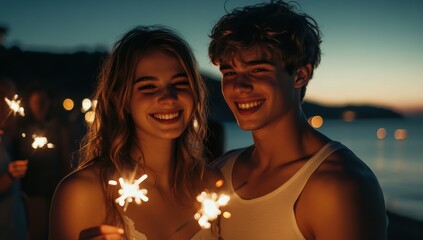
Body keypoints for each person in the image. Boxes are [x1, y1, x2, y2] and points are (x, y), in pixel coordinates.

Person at [208, 1, 388, 239]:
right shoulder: (220, 171)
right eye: (229, 72)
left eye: (258, 70)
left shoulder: (339, 185)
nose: (239, 87)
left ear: (300, 75)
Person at [50, 26, 221, 240]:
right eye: (148, 87)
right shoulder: (83, 193)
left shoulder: (211, 184)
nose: (169, 97)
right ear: (120, 99)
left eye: (180, 83)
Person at [13, 83, 70, 240]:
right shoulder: (21, 130)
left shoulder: (58, 128)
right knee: (37, 230)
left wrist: (66, 185)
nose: (41, 106)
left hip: (54, 186)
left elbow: (65, 158)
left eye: (44, 101)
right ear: (29, 104)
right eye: (37, 102)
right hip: (33, 189)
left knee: (56, 230)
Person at [0, 77, 28, 240]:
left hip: (13, 221)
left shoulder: (5, 137)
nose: (12, 105)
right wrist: (10, 176)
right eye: (7, 99)